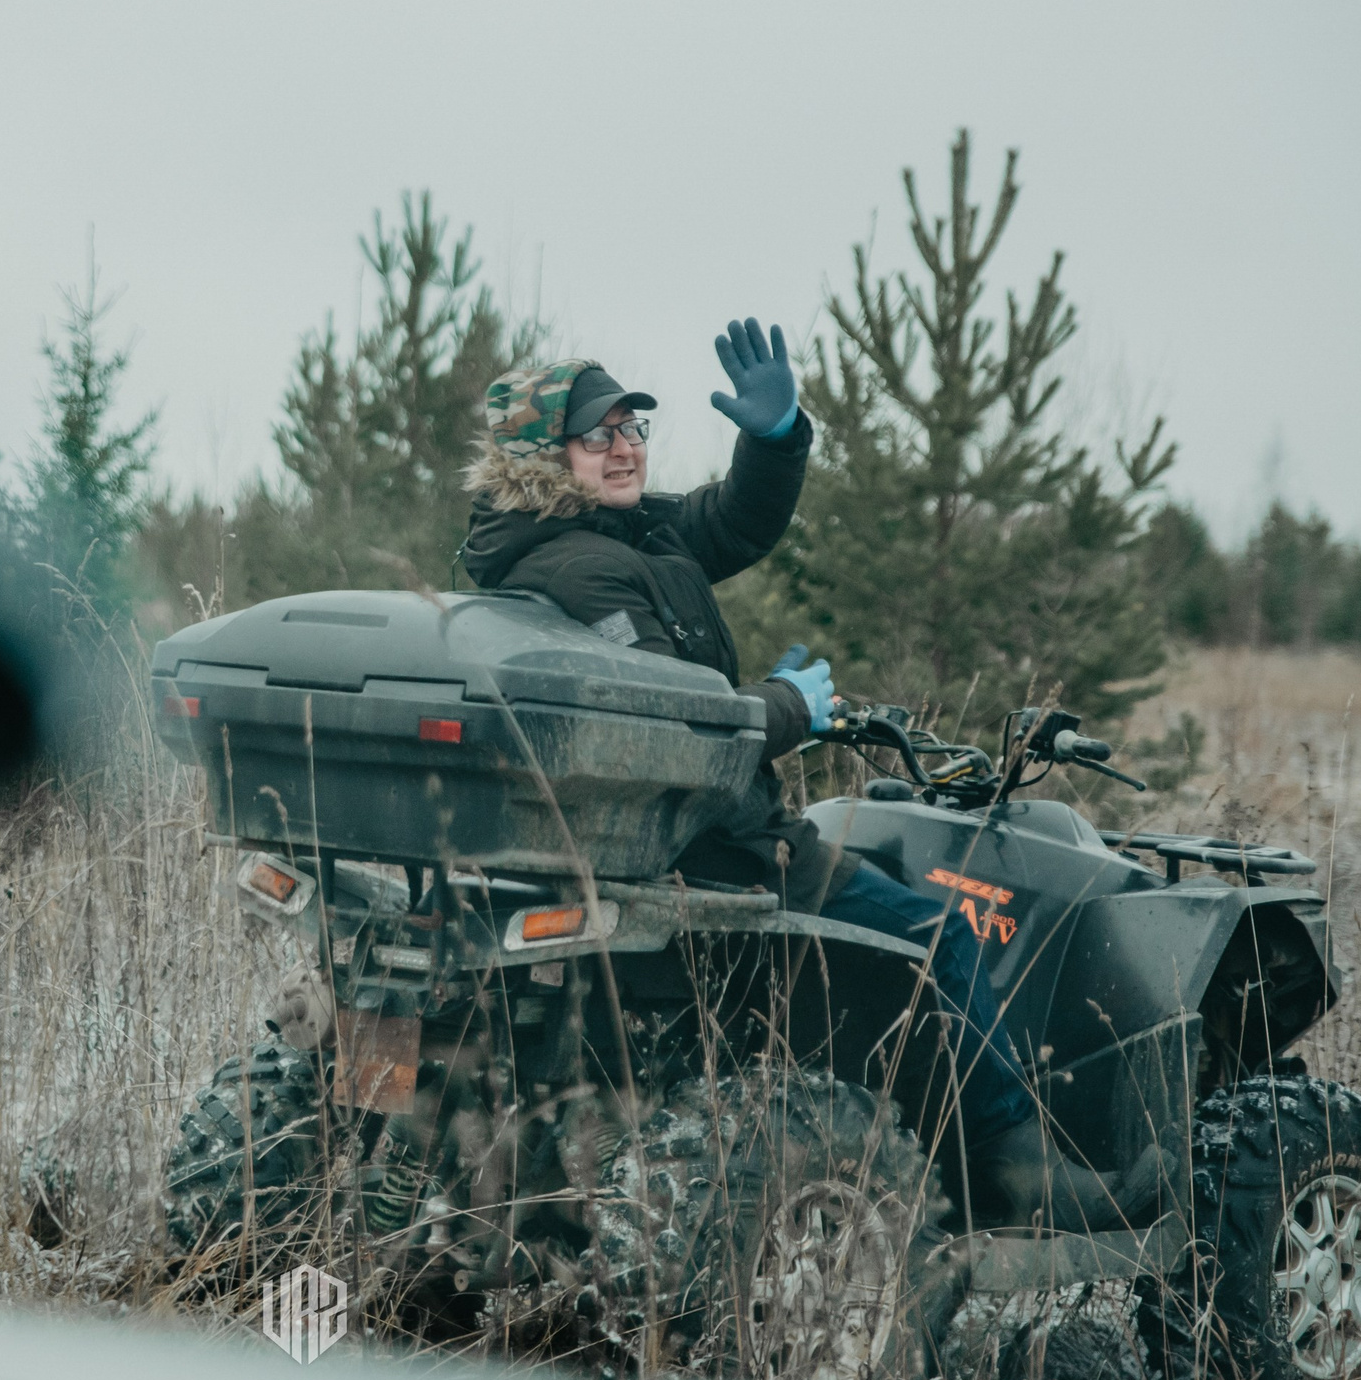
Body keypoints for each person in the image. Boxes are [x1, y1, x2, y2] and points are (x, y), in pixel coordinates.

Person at [457, 320, 1150, 1232]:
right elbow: (675, 726)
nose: (626, 448)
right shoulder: (585, 571)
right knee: (937, 936)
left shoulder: (598, 536)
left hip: (644, 847)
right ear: (543, 458)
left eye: (633, 429)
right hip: (720, 848)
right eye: (600, 435)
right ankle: (1013, 1166)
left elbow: (730, 520)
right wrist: (785, 706)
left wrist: (775, 440)